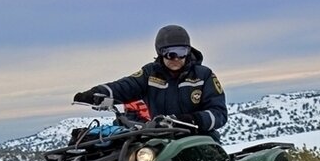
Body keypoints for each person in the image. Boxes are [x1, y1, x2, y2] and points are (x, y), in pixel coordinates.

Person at [73, 24, 228, 142]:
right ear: (160, 53)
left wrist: (191, 120)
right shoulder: (150, 74)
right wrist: (97, 93)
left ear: (188, 51)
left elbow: (219, 113)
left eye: (181, 52)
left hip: (199, 137)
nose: (175, 58)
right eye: (169, 53)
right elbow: (125, 86)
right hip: (161, 140)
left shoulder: (203, 75)